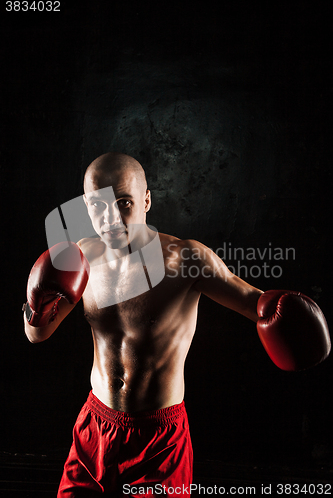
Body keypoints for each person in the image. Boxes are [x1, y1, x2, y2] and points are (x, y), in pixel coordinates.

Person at [23, 152, 330, 497]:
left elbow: (253, 303)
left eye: (123, 202)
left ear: (147, 200)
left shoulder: (187, 259)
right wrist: (35, 309)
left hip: (158, 440)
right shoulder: (82, 257)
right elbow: (38, 334)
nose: (110, 219)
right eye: (97, 206)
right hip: (95, 427)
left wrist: (285, 314)